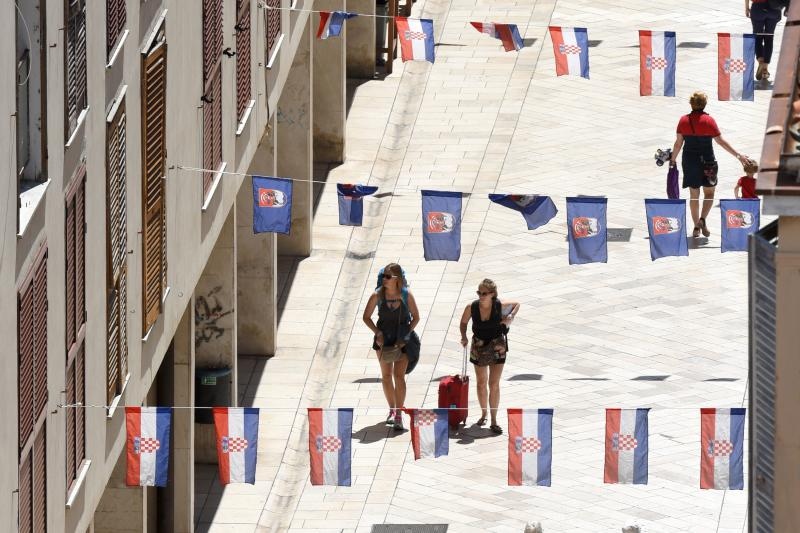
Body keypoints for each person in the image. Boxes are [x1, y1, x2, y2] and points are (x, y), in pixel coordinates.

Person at [669, 91, 749, 238]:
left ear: (691, 104)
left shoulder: (683, 121)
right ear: (704, 104)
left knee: (694, 195)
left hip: (690, 161)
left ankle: (695, 227)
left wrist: (672, 161)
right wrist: (738, 156)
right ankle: (703, 219)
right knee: (709, 192)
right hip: (708, 161)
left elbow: (678, 144)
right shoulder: (709, 121)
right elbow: (721, 141)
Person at [362, 263, 420, 430]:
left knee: (399, 376)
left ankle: (399, 414)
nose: (384, 279)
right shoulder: (377, 295)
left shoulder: (406, 295)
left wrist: (405, 335)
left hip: (402, 340)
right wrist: (377, 332)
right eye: (383, 276)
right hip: (384, 339)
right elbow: (366, 317)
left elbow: (416, 317)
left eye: (388, 277)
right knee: (386, 376)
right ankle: (392, 409)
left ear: (397, 279)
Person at [459, 279, 520, 435]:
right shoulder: (471, 307)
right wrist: (464, 336)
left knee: (494, 383)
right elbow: (463, 322)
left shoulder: (499, 305)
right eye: (479, 293)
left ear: (492, 294)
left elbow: (517, 304)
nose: (480, 296)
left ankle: (493, 419)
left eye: (484, 293)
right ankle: (483, 413)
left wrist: (510, 317)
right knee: (481, 382)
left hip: (497, 345)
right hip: (479, 345)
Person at [746, 0, 784, 81]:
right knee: (769, 38)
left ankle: (761, 61)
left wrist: (746, 8)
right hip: (774, 8)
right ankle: (765, 69)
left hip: (758, 8)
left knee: (758, 37)